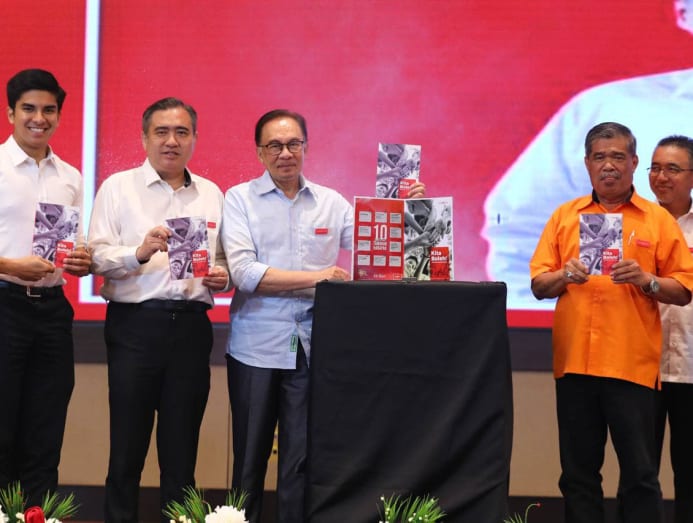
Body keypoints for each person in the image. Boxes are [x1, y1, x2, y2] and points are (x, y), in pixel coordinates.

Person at [220, 109, 424, 523]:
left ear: (306, 147)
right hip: (256, 347)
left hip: (310, 348)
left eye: (293, 143)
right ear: (259, 152)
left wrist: (408, 209)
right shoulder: (239, 199)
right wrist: (319, 278)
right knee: (248, 461)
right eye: (275, 145)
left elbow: (375, 247)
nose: (285, 153)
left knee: (300, 460)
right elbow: (245, 274)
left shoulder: (331, 203)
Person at [529, 122, 693, 523]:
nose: (608, 166)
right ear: (587, 163)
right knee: (578, 476)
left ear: (634, 163)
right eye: (600, 157)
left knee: (640, 476)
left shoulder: (657, 220)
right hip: (575, 365)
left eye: (618, 157)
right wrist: (565, 276)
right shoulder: (565, 216)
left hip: (631, 366)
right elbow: (538, 285)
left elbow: (684, 289)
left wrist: (647, 280)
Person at [484, 0, 693, 310]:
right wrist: (559, 322)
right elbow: (521, 231)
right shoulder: (613, 109)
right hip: (626, 332)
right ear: (684, 12)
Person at [88, 97, 229, 523]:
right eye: (162, 132)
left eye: (182, 132)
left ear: (195, 139)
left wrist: (223, 276)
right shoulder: (118, 188)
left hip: (190, 329)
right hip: (135, 327)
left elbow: (225, 261)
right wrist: (139, 251)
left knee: (182, 451)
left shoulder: (211, 193)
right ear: (144, 138)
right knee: (126, 449)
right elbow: (96, 256)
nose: (172, 141)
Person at [0, 69, 91, 506]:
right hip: (4, 306)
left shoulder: (70, 176)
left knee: (46, 428)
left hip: (53, 311)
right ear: (10, 113)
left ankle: (39, 514)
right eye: (29, 109)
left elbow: (78, 243)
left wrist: (83, 260)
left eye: (49, 110)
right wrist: (8, 264)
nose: (40, 118)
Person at [648, 135, 693, 523]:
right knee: (639, 473)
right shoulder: (633, 223)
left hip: (691, 366)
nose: (661, 177)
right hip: (642, 368)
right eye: (655, 168)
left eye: (673, 169)